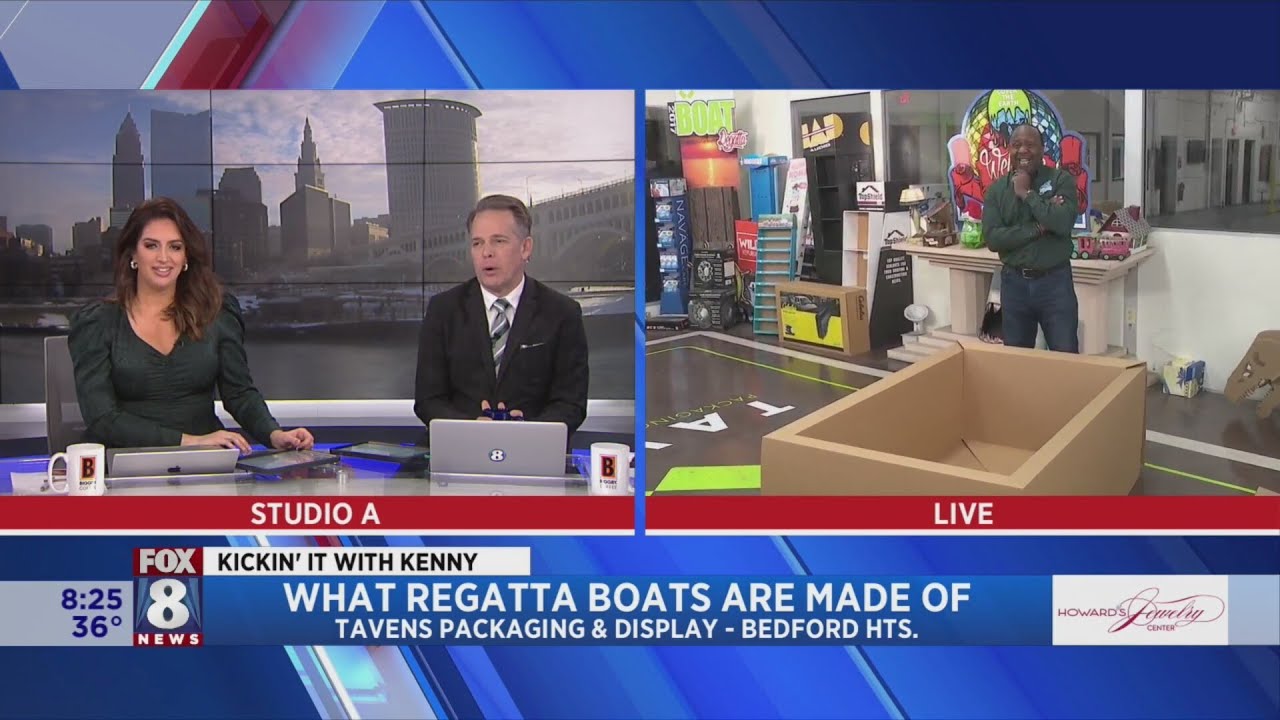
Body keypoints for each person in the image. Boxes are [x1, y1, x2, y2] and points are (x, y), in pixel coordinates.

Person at [68, 197, 313, 452]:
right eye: (151, 246)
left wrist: (274, 434)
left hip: (206, 461)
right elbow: (102, 418)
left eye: (175, 247)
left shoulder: (216, 313)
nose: (164, 258)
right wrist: (189, 441)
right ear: (133, 254)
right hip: (124, 463)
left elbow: (239, 393)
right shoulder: (98, 323)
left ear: (186, 257)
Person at [414, 194, 589, 439]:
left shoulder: (562, 312)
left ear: (525, 247)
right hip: (460, 450)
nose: (486, 252)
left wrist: (525, 433)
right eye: (477, 243)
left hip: (534, 451)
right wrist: (470, 427)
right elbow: (428, 399)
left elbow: (571, 403)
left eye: (498, 241)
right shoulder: (443, 310)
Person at [981, 124, 1081, 353]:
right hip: (1014, 284)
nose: (1023, 150)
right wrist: (1040, 226)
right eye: (1016, 145)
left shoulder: (1061, 181)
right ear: (1009, 149)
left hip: (1055, 284)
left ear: (1042, 149)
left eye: (1030, 144)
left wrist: (1027, 194)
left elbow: (1062, 223)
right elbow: (994, 239)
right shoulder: (997, 190)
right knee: (1017, 357)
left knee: (1065, 354)